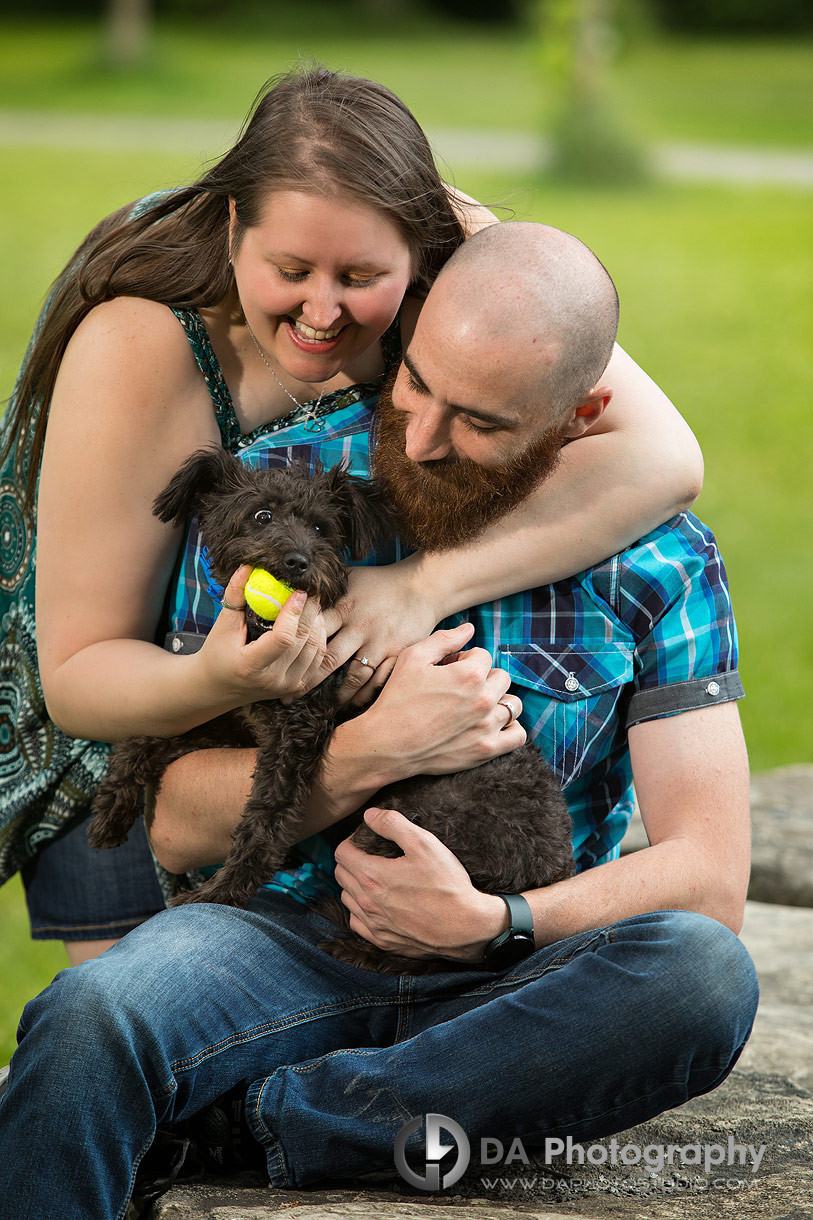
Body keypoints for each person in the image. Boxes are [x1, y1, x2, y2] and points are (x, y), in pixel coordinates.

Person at [0, 222, 757, 1220]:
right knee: (87, 1017)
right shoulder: (284, 494)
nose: (427, 435)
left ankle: (270, 1121)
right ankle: (341, 1114)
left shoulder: (662, 560)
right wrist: (369, 752)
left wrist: (495, 920)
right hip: (282, 939)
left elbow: (710, 876)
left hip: (518, 973)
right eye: (417, 385)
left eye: (481, 420)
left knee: (701, 977)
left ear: (581, 416)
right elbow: (177, 826)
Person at [0, 66, 702, 967]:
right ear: (231, 228)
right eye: (289, 271)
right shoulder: (140, 345)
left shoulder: (454, 260)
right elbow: (80, 678)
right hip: (113, 729)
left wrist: (417, 588)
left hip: (287, 738)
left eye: (361, 276)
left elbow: (662, 456)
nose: (322, 313)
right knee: (128, 1040)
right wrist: (226, 677)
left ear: (421, 260)